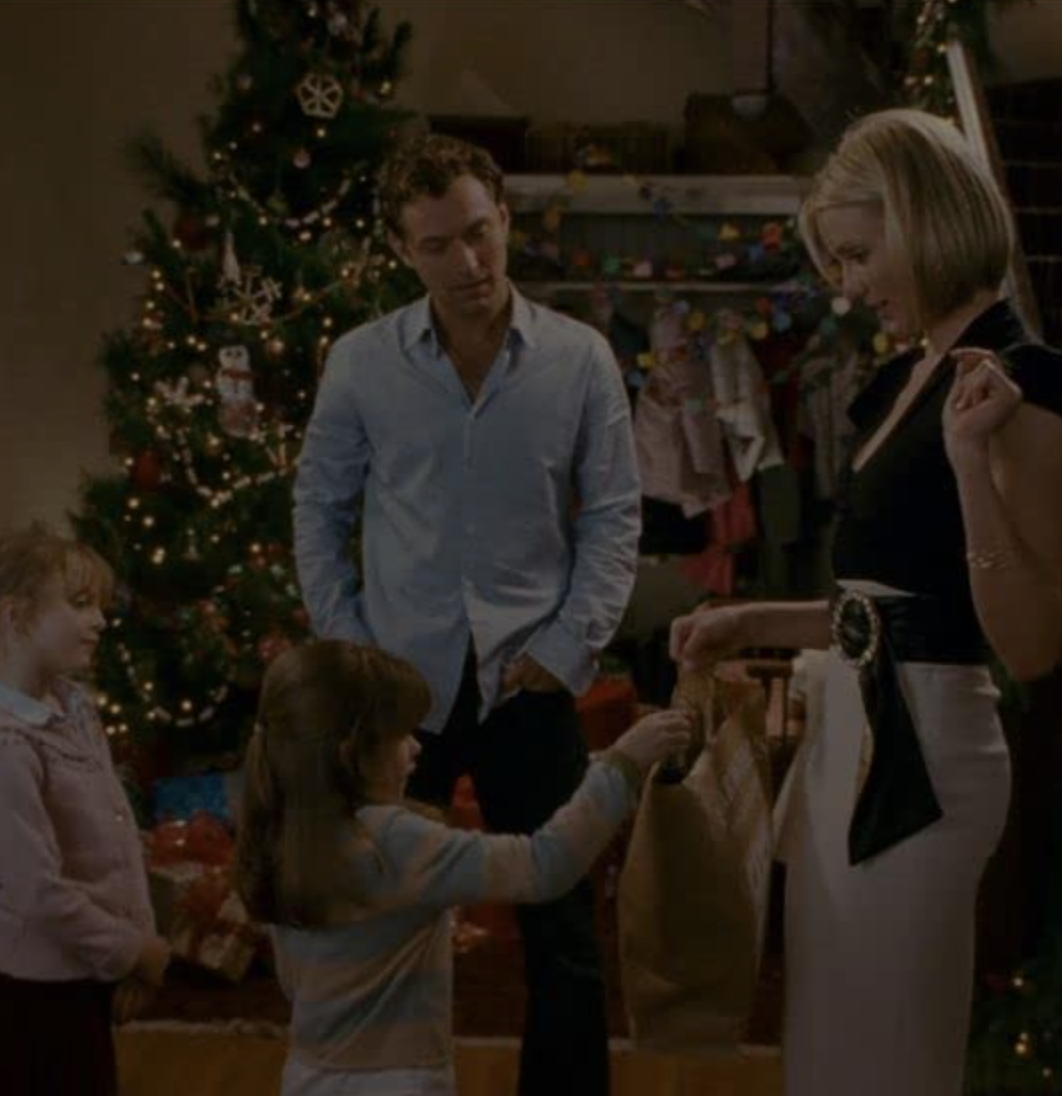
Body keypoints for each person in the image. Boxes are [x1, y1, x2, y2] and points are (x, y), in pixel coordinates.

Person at [670, 108, 1062, 1095]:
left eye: (859, 255)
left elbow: (1030, 642)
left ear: (926, 221)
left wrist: (968, 463)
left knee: (892, 1056)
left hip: (925, 759)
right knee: (826, 1044)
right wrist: (747, 622)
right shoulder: (902, 377)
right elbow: (879, 607)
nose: (848, 286)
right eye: (837, 262)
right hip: (846, 734)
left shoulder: (1027, 387)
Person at [293, 134, 642, 1095]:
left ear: (506, 219)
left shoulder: (579, 359)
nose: (470, 263)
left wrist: (569, 647)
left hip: (532, 682)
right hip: (397, 695)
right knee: (371, 924)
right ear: (403, 251)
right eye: (439, 245)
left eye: (481, 233)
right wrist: (354, 654)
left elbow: (614, 515)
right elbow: (318, 510)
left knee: (564, 938)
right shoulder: (362, 363)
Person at [234, 640, 691, 1095]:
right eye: (401, 735)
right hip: (403, 1081)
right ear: (352, 752)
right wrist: (622, 765)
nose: (416, 747)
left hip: (307, 1076)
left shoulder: (284, 831)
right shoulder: (395, 842)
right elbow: (544, 865)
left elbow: (293, 982)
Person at [0, 526, 168, 1096]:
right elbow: (38, 891)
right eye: (80, 604)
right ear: (13, 616)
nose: (100, 620)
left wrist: (132, 953)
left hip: (82, 980)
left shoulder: (73, 706)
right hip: (29, 1003)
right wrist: (135, 952)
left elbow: (114, 836)